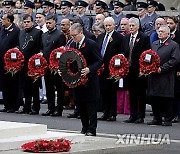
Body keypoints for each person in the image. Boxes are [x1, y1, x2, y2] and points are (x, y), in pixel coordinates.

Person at [69, 23, 102, 136]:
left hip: (90, 80)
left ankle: (92, 129)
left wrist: (89, 69)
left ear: (81, 33)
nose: (73, 38)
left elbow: (99, 61)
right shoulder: (73, 44)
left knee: (91, 107)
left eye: (75, 35)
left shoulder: (91, 44)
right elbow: (70, 60)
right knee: (80, 105)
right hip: (77, 80)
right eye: (71, 36)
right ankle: (84, 127)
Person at [147, 25, 180, 126]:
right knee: (154, 96)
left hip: (166, 75)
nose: (159, 33)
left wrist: (162, 68)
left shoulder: (173, 45)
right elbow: (149, 56)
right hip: (153, 75)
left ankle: (167, 118)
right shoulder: (154, 44)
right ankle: (157, 118)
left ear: (168, 34)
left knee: (165, 97)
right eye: (159, 31)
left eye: (162, 31)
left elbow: (175, 60)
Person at [123, 17, 150, 124]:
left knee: (140, 94)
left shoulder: (144, 37)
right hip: (129, 70)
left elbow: (148, 53)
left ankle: (141, 115)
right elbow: (124, 52)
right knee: (131, 93)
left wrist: (144, 69)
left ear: (138, 26)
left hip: (139, 70)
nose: (131, 27)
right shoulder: (125, 38)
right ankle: (132, 115)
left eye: (133, 25)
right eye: (129, 25)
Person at [97, 17, 123, 121]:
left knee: (112, 91)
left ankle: (113, 113)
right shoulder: (101, 36)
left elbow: (121, 53)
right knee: (103, 91)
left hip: (112, 68)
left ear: (114, 25)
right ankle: (105, 112)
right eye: (106, 25)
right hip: (101, 68)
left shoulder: (119, 37)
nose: (107, 27)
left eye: (109, 25)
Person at [17, 14, 42, 115]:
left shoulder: (38, 32)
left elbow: (40, 47)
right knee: (25, 86)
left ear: (32, 22)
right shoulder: (21, 32)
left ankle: (35, 107)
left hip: (33, 63)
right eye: (25, 22)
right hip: (23, 63)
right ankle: (26, 107)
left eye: (28, 22)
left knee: (34, 87)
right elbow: (19, 45)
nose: (26, 24)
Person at [41, 14, 66, 116]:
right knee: (49, 87)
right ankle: (50, 108)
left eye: (50, 23)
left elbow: (61, 50)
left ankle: (59, 109)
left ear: (55, 22)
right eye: (46, 23)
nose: (48, 25)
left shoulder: (60, 35)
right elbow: (42, 48)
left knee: (59, 88)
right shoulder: (44, 35)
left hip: (56, 66)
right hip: (46, 65)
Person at [0, 14, 20, 113]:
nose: (1, 21)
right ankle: (7, 104)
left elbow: (17, 45)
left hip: (11, 63)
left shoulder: (16, 31)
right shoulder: (2, 29)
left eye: (3, 19)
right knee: (4, 84)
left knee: (12, 84)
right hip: (2, 62)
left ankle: (14, 105)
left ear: (9, 20)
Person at [167, 16, 180, 123]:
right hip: (167, 67)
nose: (169, 25)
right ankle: (169, 113)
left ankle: (177, 114)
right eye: (167, 23)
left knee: (177, 92)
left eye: (171, 23)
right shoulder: (167, 35)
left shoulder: (178, 35)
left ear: (176, 24)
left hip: (176, 67)